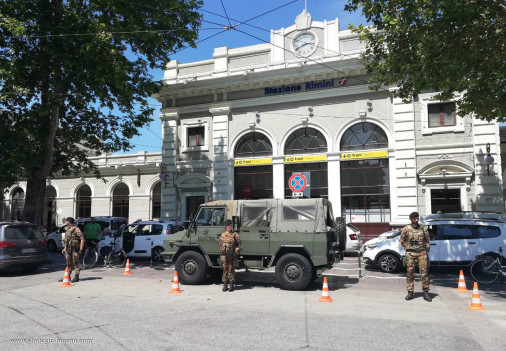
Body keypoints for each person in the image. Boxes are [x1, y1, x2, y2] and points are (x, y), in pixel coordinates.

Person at [400, 212, 432, 302]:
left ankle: (425, 292)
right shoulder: (406, 229)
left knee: (424, 273)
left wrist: (426, 250)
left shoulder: (423, 228)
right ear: (410, 219)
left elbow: (427, 240)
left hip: (422, 253)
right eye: (414, 218)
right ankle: (410, 292)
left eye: (417, 218)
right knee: (410, 273)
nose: (416, 220)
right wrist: (408, 248)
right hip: (410, 254)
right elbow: (402, 241)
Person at [219, 219, 241, 292]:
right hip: (224, 255)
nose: (230, 227)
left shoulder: (235, 235)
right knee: (224, 270)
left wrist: (237, 249)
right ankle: (225, 285)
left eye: (231, 225)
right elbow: (220, 244)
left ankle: (231, 285)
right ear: (226, 226)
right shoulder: (222, 235)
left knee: (231, 270)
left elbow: (238, 244)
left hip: (231, 255)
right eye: (228, 225)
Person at [62, 217, 85, 283]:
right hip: (68, 249)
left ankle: (76, 276)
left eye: (66, 221)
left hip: (75, 249)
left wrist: (80, 249)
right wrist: (64, 248)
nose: (66, 223)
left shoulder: (76, 229)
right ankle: (68, 275)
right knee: (68, 263)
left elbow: (82, 239)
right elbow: (66, 241)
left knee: (76, 262)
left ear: (68, 222)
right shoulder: (67, 230)